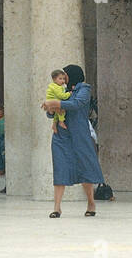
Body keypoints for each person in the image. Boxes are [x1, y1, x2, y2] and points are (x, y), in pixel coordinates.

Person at [41, 64, 103, 217]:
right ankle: (57, 207)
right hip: (61, 135)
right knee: (60, 167)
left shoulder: (84, 89)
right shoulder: (60, 89)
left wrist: (56, 104)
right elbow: (51, 113)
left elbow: (77, 104)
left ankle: (91, 203)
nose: (63, 78)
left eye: (65, 75)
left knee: (85, 168)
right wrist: (50, 110)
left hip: (80, 134)